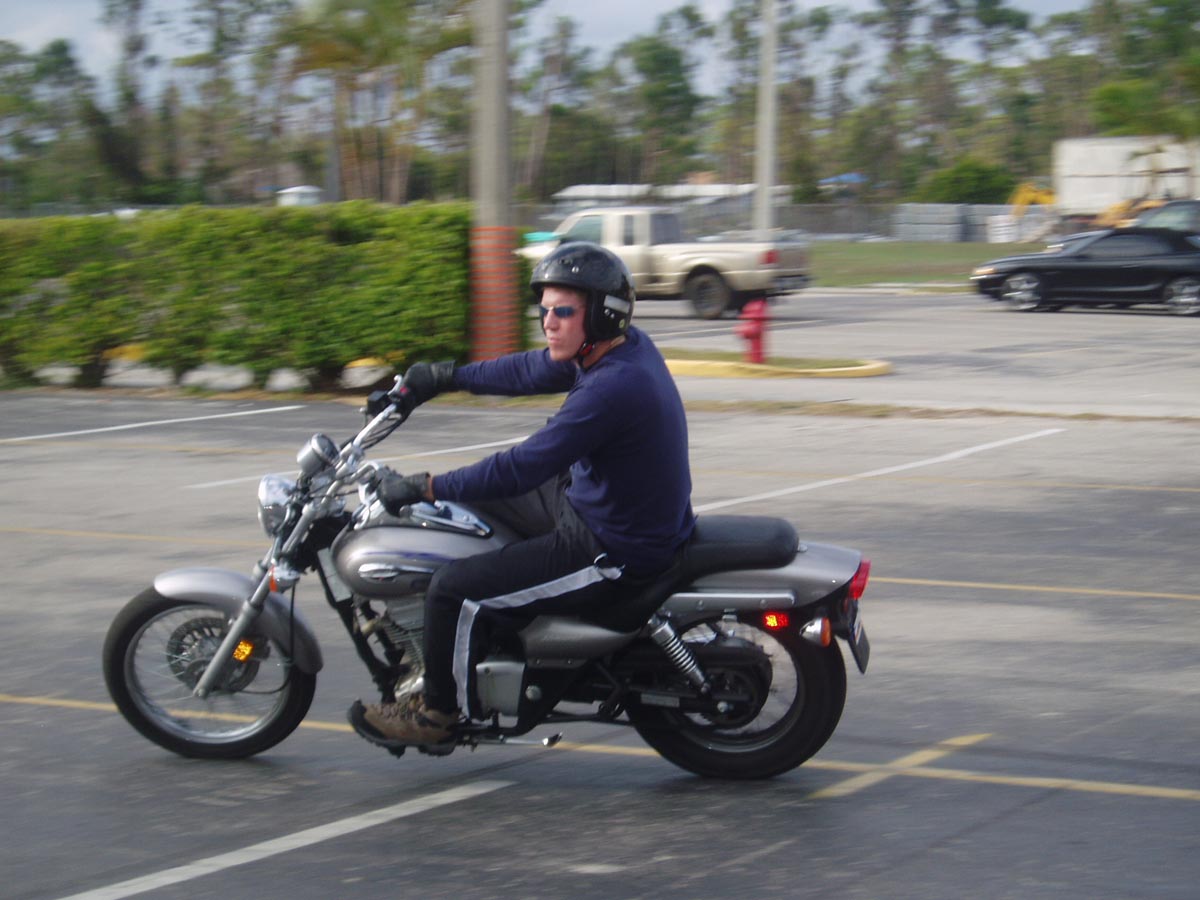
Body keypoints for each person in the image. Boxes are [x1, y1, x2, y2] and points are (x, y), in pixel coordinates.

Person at [348, 241, 696, 747]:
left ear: (601, 315)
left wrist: (425, 486)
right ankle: (491, 646)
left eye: (562, 312)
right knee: (461, 512)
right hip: (591, 503)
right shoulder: (616, 348)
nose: (548, 323)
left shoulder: (612, 387)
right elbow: (529, 370)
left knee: (453, 589)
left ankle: (439, 713)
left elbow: (522, 467)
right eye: (544, 311)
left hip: (613, 547)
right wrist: (443, 377)